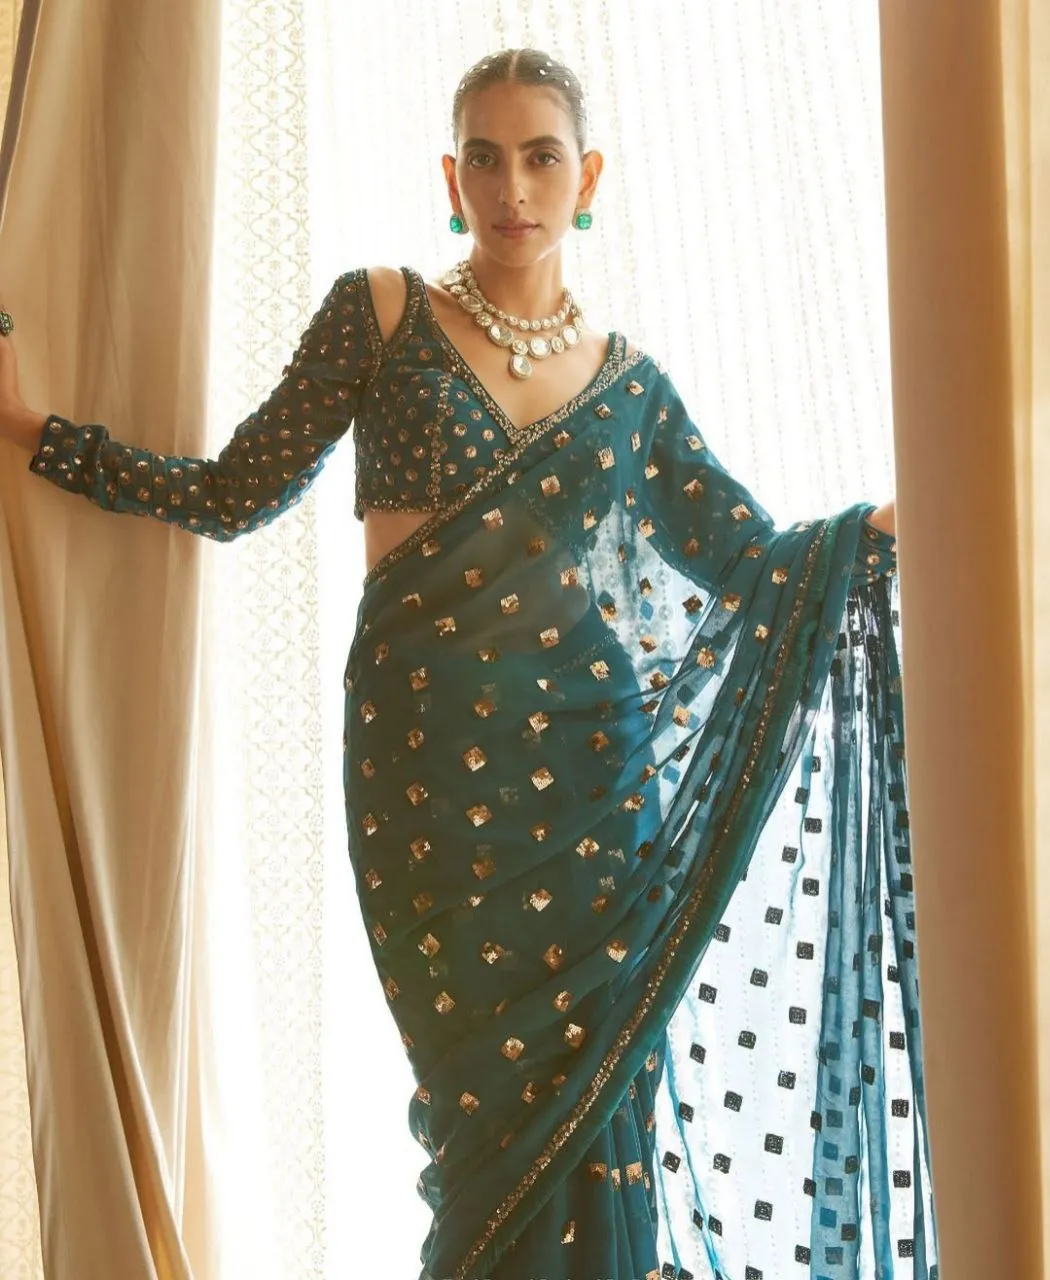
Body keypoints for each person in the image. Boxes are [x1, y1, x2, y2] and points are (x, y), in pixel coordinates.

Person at [0, 46, 935, 1280]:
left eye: (542, 157)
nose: (513, 188)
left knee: (598, 1109)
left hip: (593, 789)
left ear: (586, 178)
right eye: (484, 159)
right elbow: (235, 492)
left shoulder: (630, 389)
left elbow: (750, 563)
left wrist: (890, 525)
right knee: (475, 1112)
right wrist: (33, 430)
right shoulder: (381, 315)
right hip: (426, 776)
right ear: (452, 178)